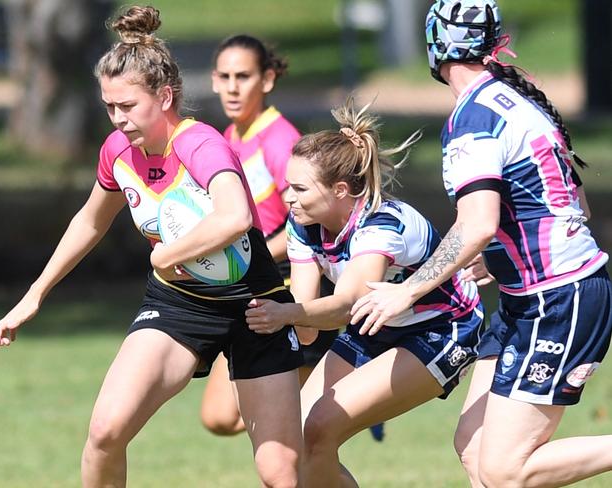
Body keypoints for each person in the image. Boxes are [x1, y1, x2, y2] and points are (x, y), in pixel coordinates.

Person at [0, 7, 304, 488]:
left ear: (164, 95)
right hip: (178, 305)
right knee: (105, 432)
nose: (118, 119)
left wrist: (166, 254)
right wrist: (35, 293)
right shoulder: (118, 152)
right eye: (109, 107)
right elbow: (90, 221)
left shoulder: (200, 144)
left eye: (128, 106)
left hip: (256, 305)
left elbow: (236, 216)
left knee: (280, 473)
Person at [351, 1, 612, 486]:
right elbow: (569, 206)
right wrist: (497, 260)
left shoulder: (473, 119)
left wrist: (406, 291)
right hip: (532, 298)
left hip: (558, 300)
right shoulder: (516, 100)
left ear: (435, 44)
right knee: (474, 448)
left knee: (504, 469)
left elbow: (477, 225)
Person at [244, 98, 484, 486]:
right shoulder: (303, 224)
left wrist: (285, 313)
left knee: (320, 427)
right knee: (302, 436)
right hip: (375, 326)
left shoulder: (380, 225)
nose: (288, 197)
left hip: (440, 329)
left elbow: (346, 304)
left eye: (299, 188)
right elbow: (307, 326)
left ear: (340, 190)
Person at [201, 33, 338, 436]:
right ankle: (336, 395)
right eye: (224, 76)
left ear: (267, 79)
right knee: (220, 417)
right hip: (250, 290)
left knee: (288, 434)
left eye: (243, 76)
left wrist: (252, 252)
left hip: (291, 291)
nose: (232, 87)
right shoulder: (230, 139)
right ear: (212, 80)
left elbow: (309, 220)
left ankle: (337, 396)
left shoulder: (280, 141)